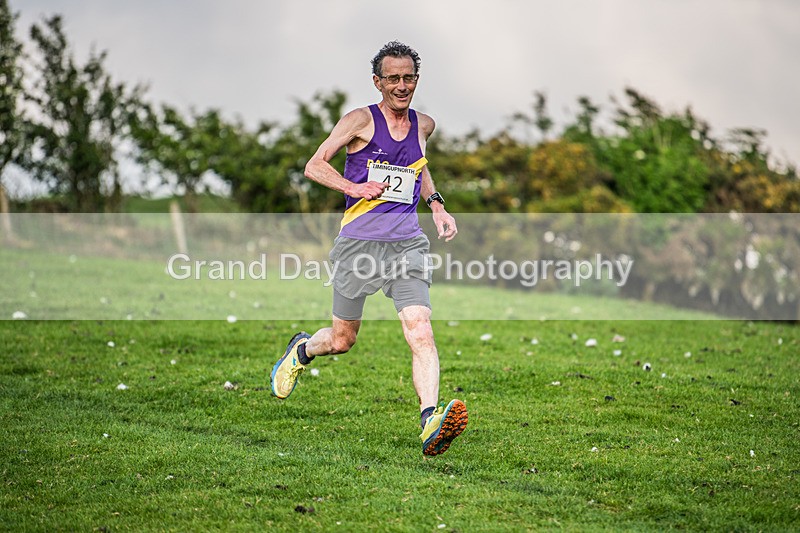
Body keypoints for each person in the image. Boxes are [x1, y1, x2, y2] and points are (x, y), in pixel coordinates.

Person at [270, 41, 467, 456]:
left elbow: (419, 167)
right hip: (359, 245)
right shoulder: (359, 120)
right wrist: (354, 187)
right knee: (342, 340)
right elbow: (314, 164)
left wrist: (436, 206)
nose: (401, 85)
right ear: (377, 82)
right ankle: (302, 350)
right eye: (392, 78)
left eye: (408, 77)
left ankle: (430, 419)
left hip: (407, 244)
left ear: (417, 79)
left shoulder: (424, 125)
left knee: (421, 329)